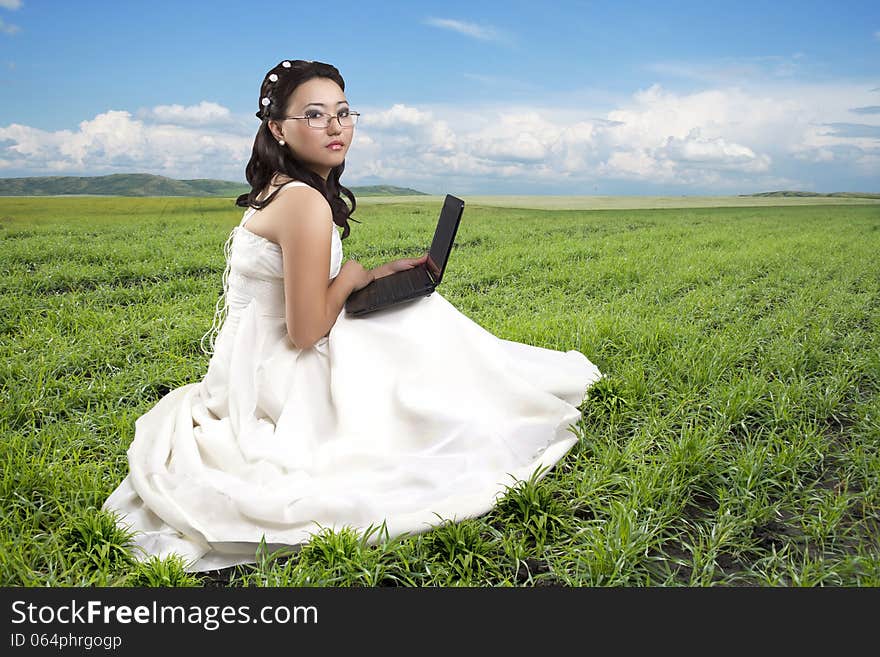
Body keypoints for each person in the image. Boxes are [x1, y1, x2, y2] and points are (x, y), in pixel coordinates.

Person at [102, 59, 602, 572]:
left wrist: (378, 273)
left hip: (249, 359)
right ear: (278, 128)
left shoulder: (284, 187)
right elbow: (303, 331)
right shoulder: (303, 203)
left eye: (343, 113)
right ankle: (477, 410)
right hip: (276, 373)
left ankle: (468, 393)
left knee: (411, 311)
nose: (336, 126)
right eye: (315, 115)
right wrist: (353, 275)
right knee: (421, 320)